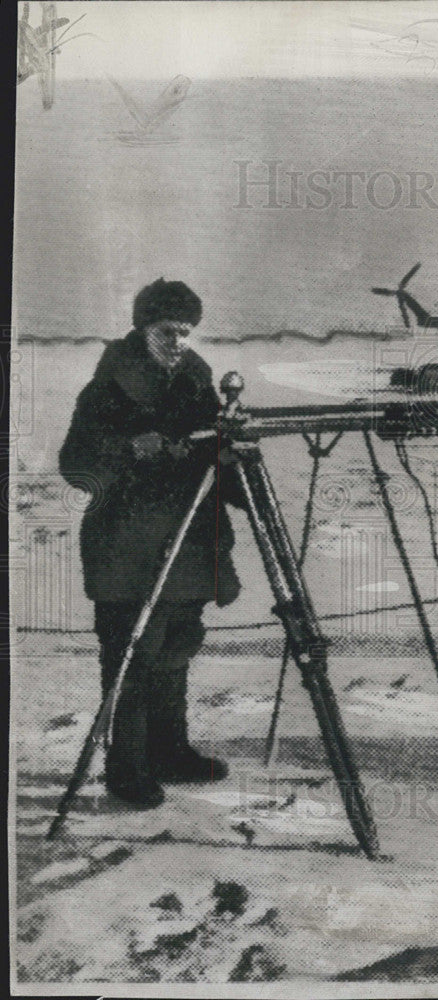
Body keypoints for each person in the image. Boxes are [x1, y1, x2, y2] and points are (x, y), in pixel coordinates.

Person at [59, 278, 243, 808]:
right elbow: (75, 465)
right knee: (130, 656)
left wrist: (227, 458)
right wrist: (127, 449)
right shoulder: (106, 388)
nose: (180, 341)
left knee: (177, 647)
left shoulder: (195, 380)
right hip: (127, 544)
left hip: (187, 540)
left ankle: (170, 751)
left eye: (187, 332)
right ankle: (127, 768)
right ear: (143, 328)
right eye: (169, 331)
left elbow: (212, 446)